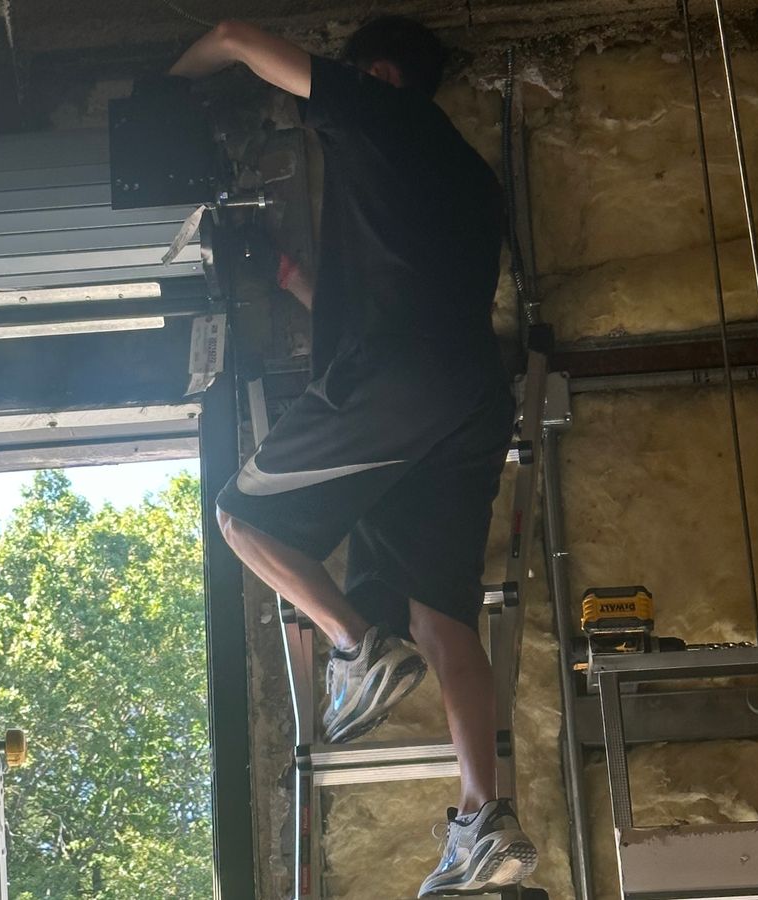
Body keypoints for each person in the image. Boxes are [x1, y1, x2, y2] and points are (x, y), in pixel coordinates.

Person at [171, 16, 538, 895]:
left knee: (241, 515)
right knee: (443, 616)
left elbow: (235, 34)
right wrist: (294, 280)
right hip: (466, 390)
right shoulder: (468, 177)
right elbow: (392, 281)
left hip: (398, 380)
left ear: (375, 72)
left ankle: (352, 644)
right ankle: (481, 818)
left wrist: (172, 82)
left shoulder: (378, 112)